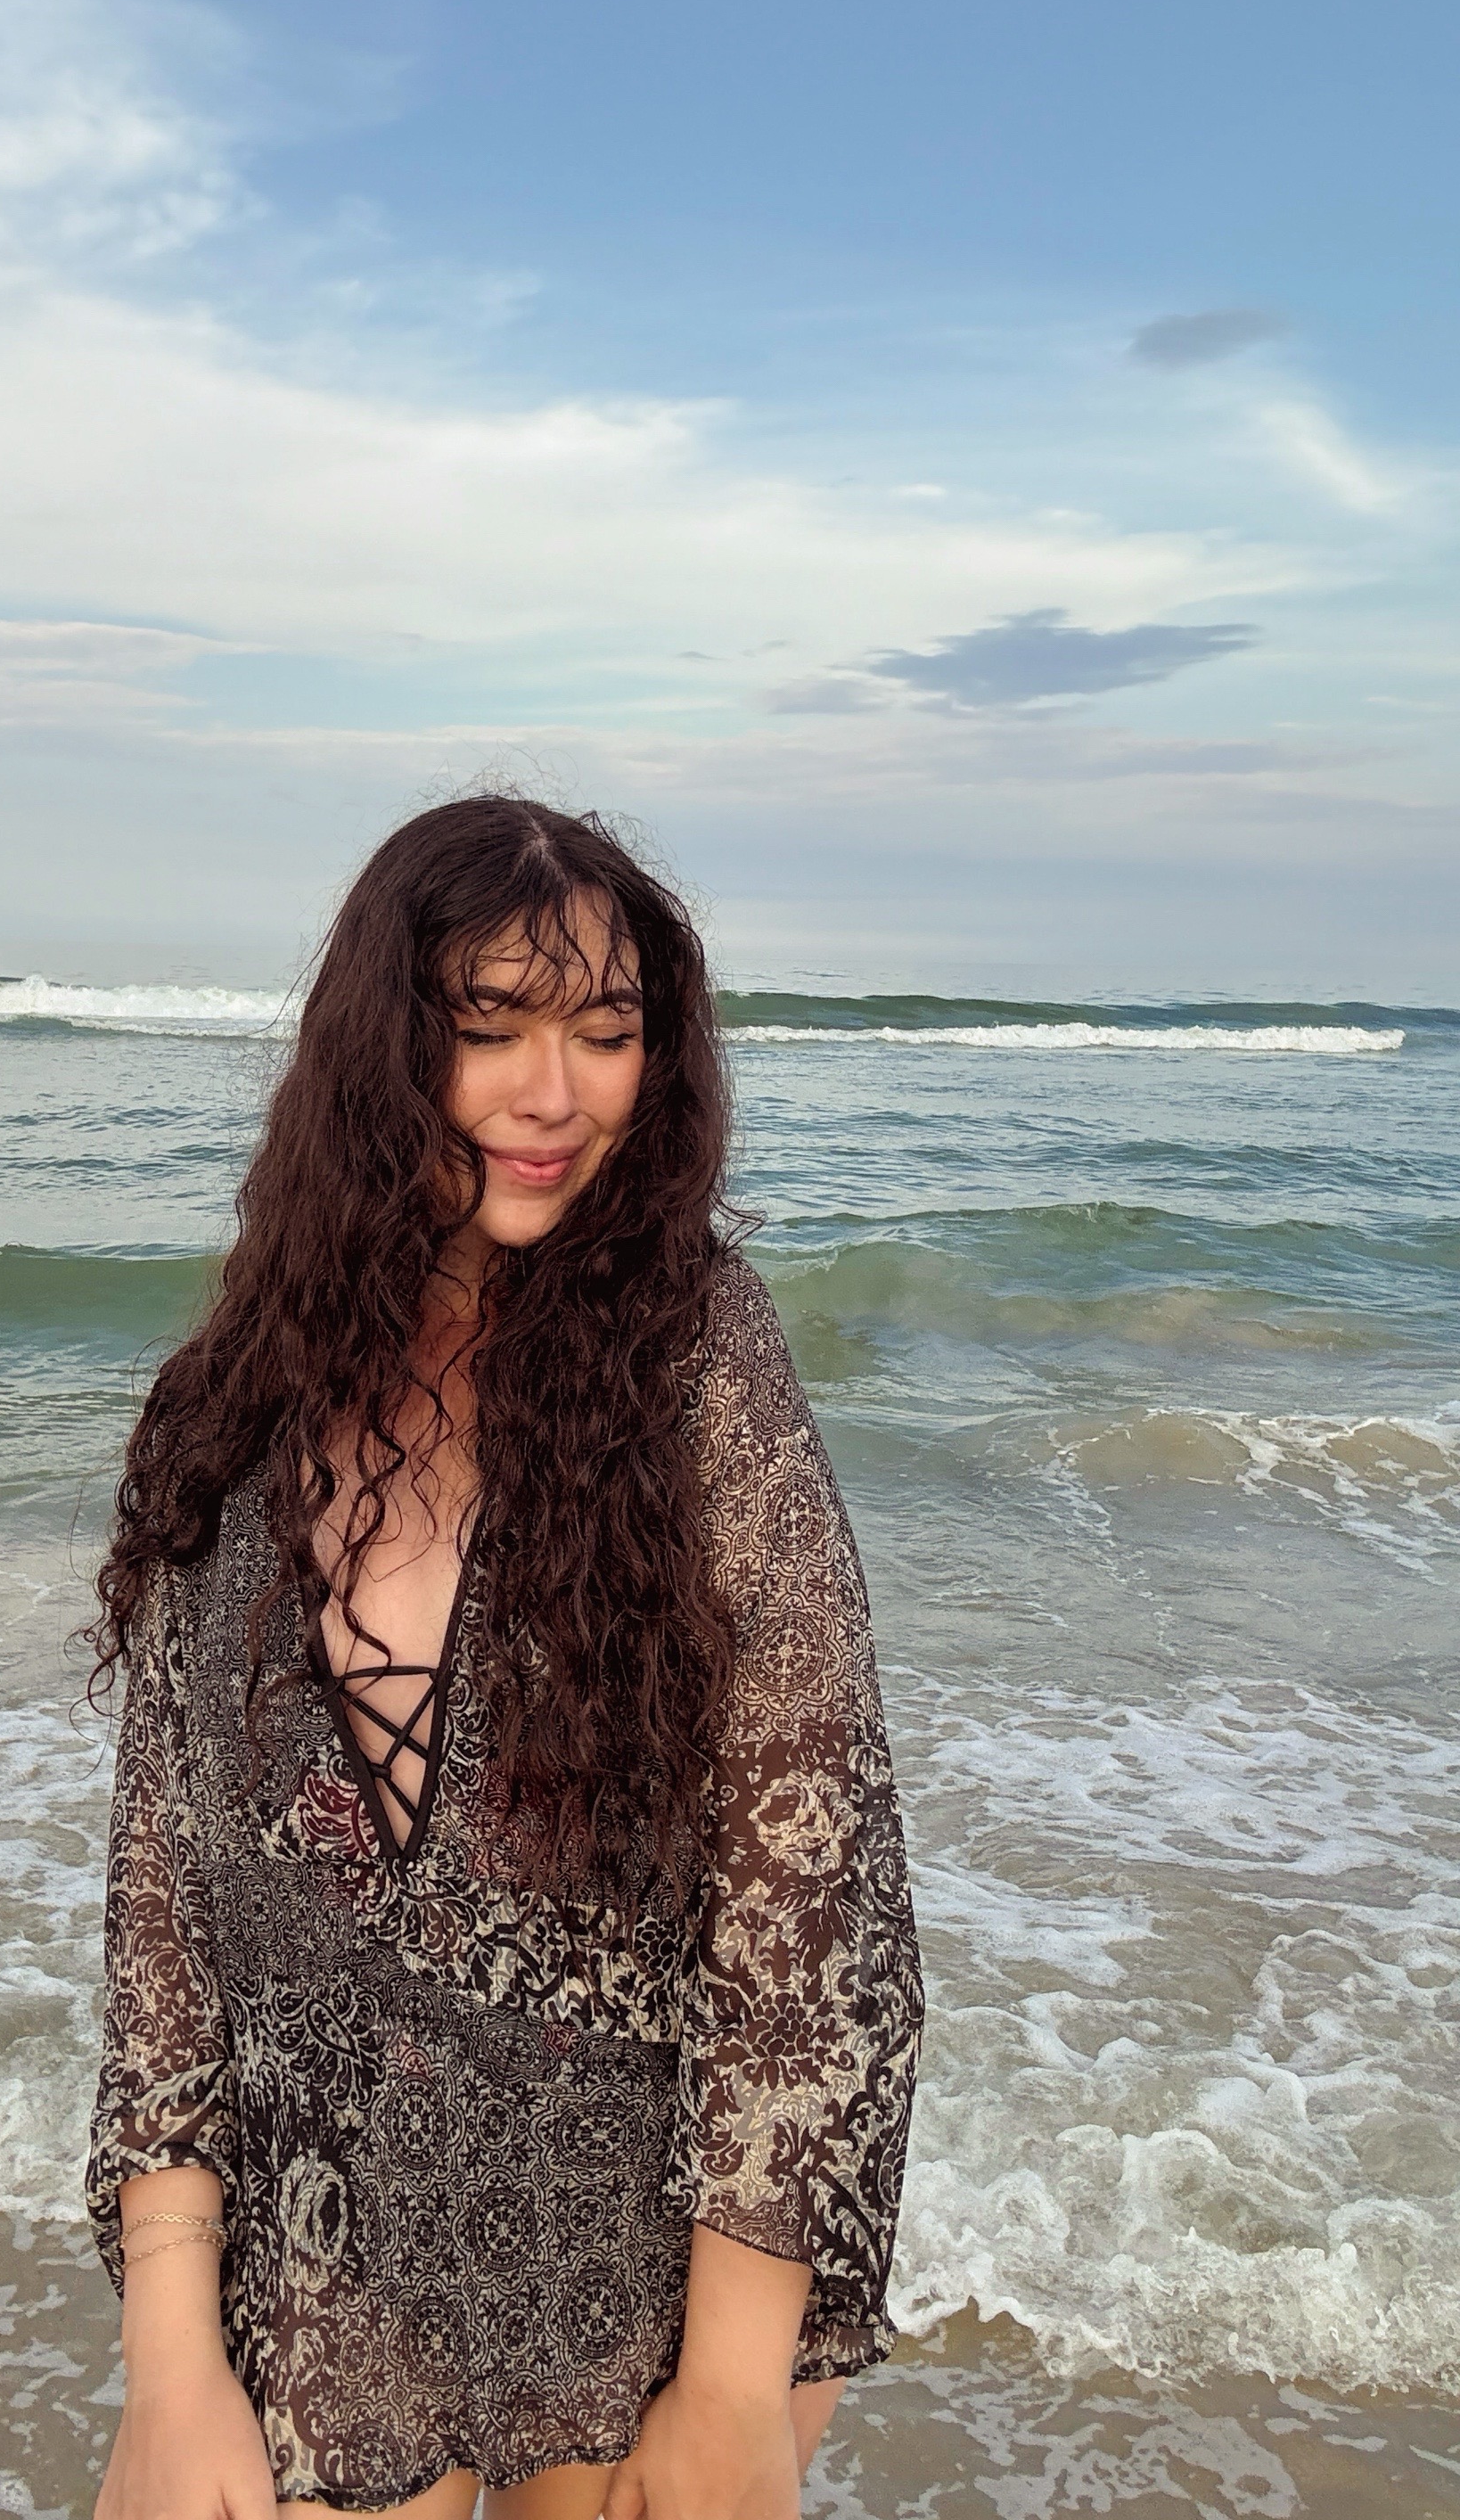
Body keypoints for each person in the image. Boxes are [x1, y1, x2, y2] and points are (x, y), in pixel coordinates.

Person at [86, 797, 923, 2520]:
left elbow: (808, 1873)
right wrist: (171, 2368)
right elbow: (164, 1899)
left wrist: (733, 2380)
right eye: (492, 1027)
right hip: (320, 2256)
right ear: (380, 1049)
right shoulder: (235, 1401)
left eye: (606, 1032)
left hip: (641, 2262)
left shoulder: (697, 1359)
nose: (559, 1094)